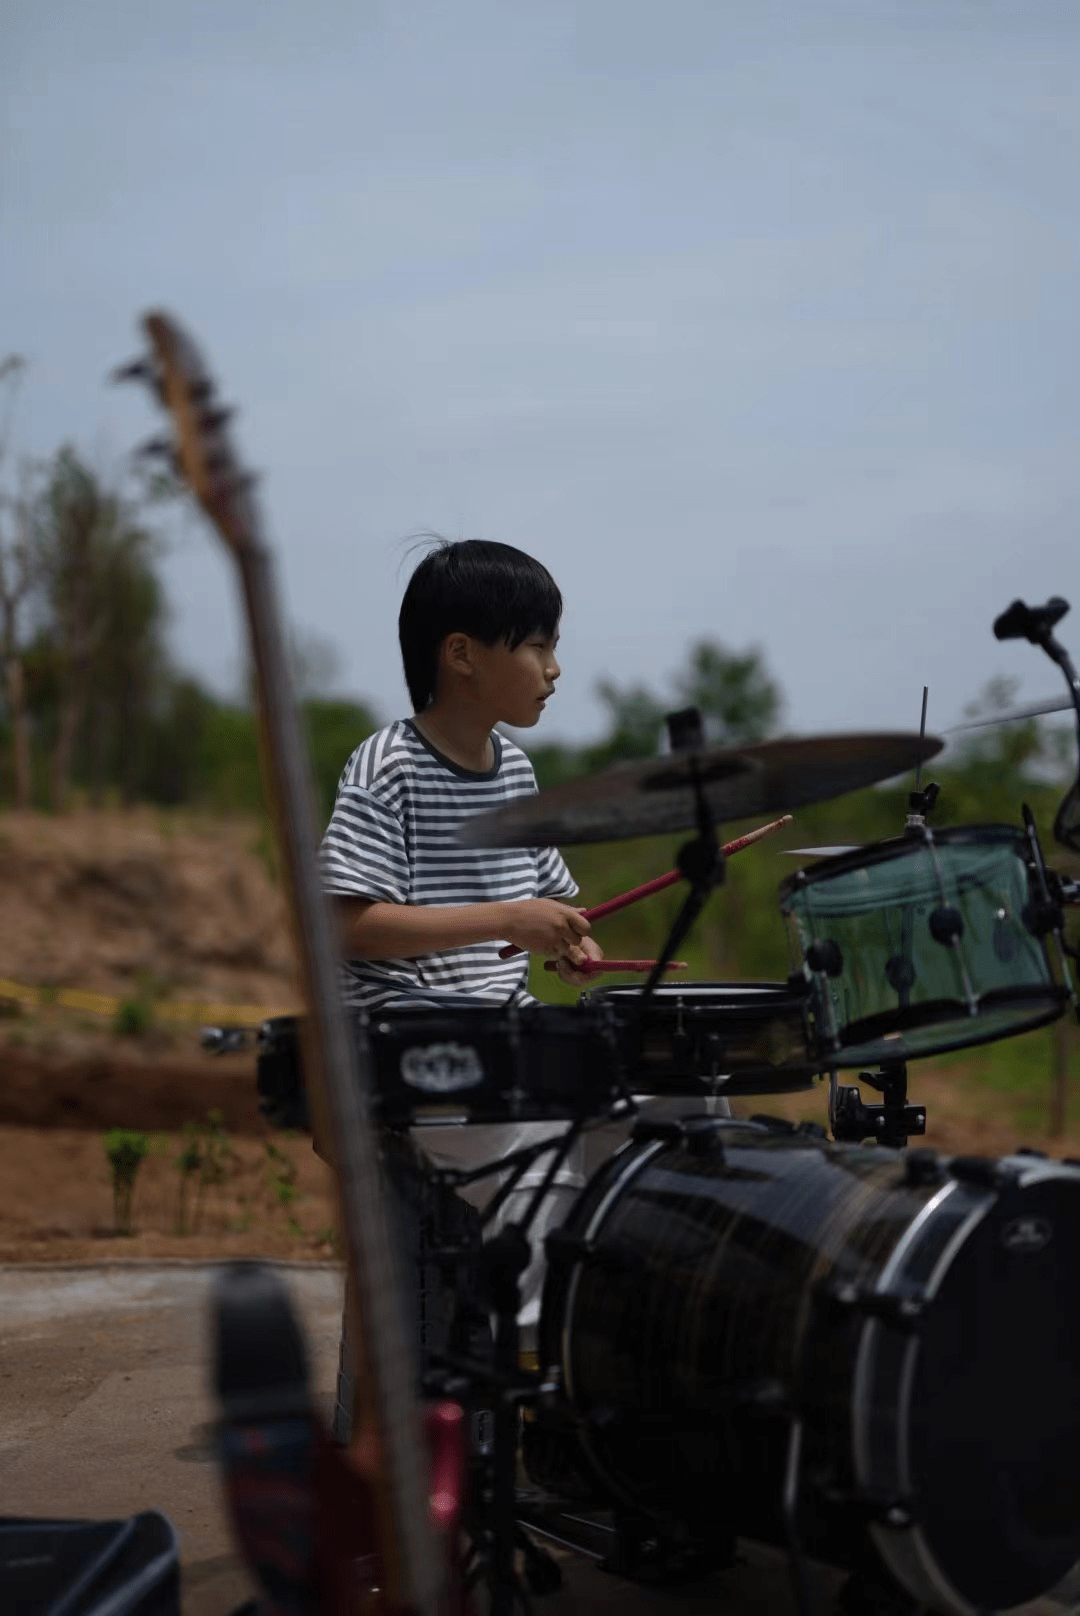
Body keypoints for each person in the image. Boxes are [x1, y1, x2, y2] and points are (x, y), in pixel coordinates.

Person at [319, 538, 602, 1439]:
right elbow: (347, 924)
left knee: (625, 1114)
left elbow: (549, 903)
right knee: (533, 1152)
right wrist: (506, 920)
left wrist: (570, 938)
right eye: (537, 644)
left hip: (497, 1027)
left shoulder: (514, 772)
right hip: (402, 1037)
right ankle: (529, 1376)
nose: (555, 669)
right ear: (462, 653)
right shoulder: (386, 766)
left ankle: (567, 1364)